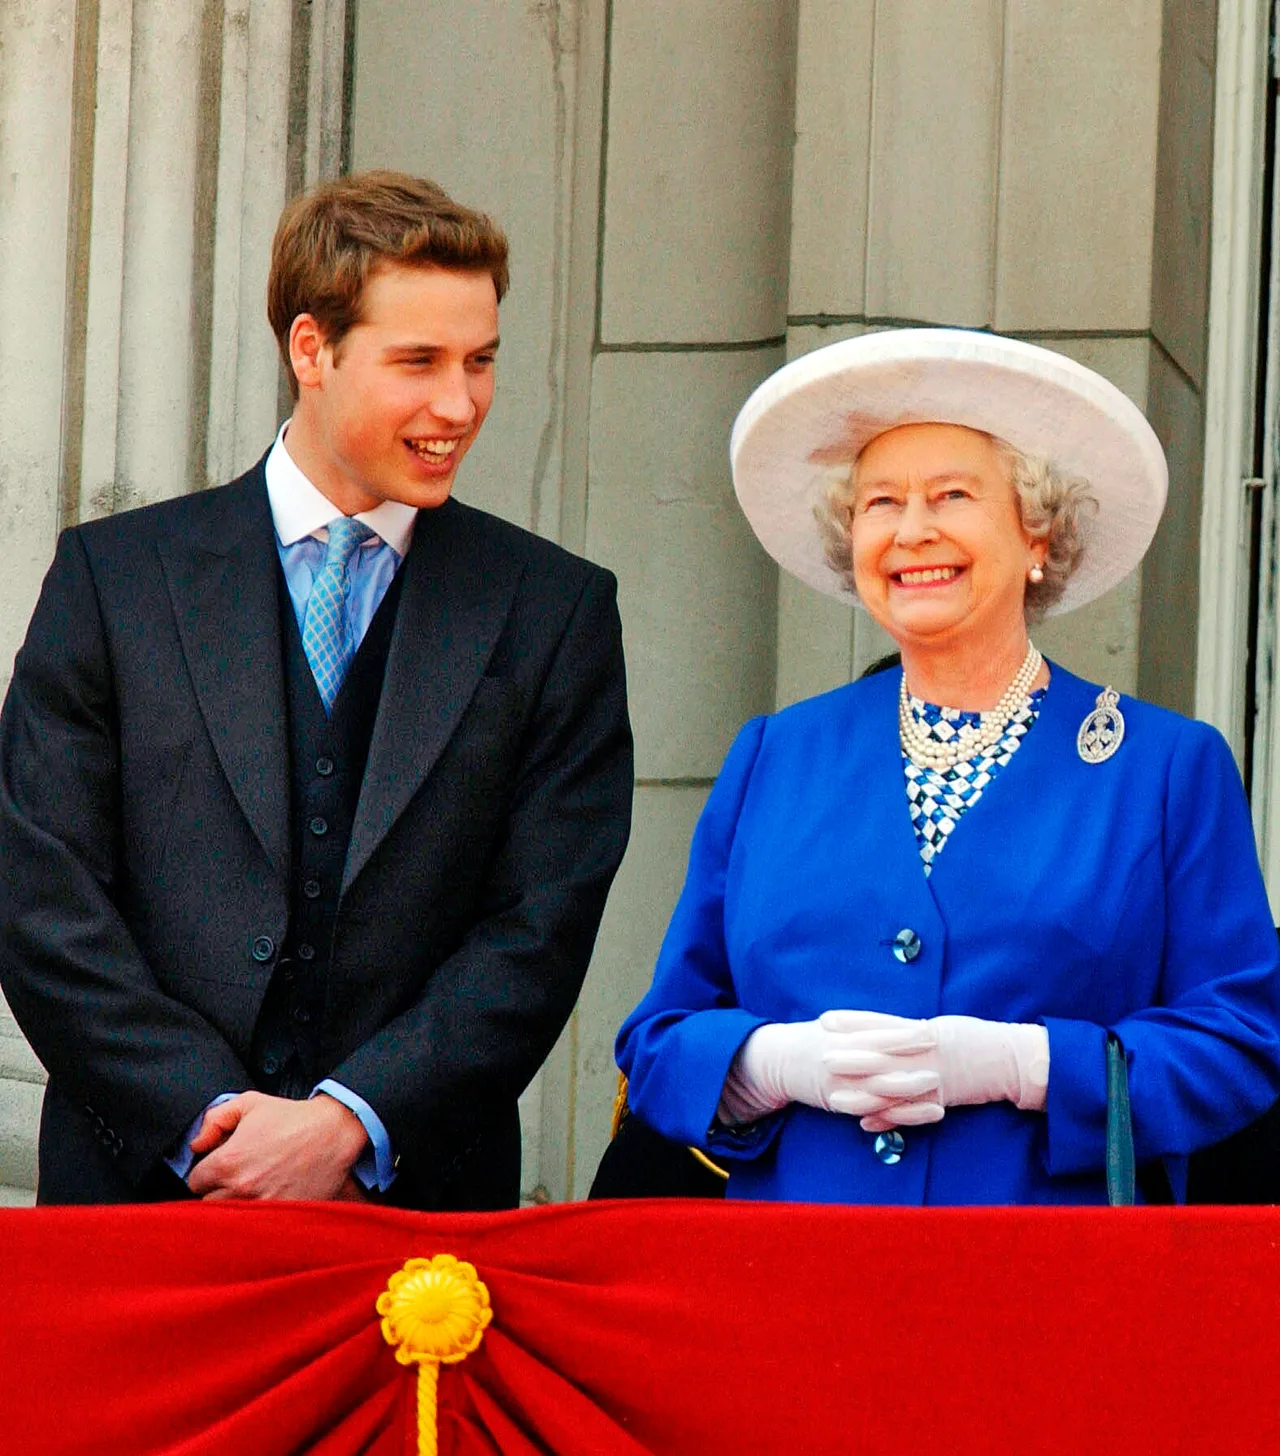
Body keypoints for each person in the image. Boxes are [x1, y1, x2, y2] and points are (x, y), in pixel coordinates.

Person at [0, 170, 633, 1208]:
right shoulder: (113, 580)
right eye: (418, 361)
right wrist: (208, 1126)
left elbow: (541, 923)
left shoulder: (553, 608)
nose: (459, 403)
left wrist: (348, 1123)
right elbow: (41, 895)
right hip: (138, 1201)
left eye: (480, 361)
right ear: (311, 349)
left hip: (416, 1211)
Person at [614, 328, 1280, 1205]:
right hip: (795, 1281)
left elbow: (1239, 1043)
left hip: (1047, 1285)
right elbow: (659, 1042)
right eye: (881, 503)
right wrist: (772, 1064)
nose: (912, 530)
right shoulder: (775, 755)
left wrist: (1027, 1064)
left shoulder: (1164, 769)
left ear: (1036, 535)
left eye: (952, 495)